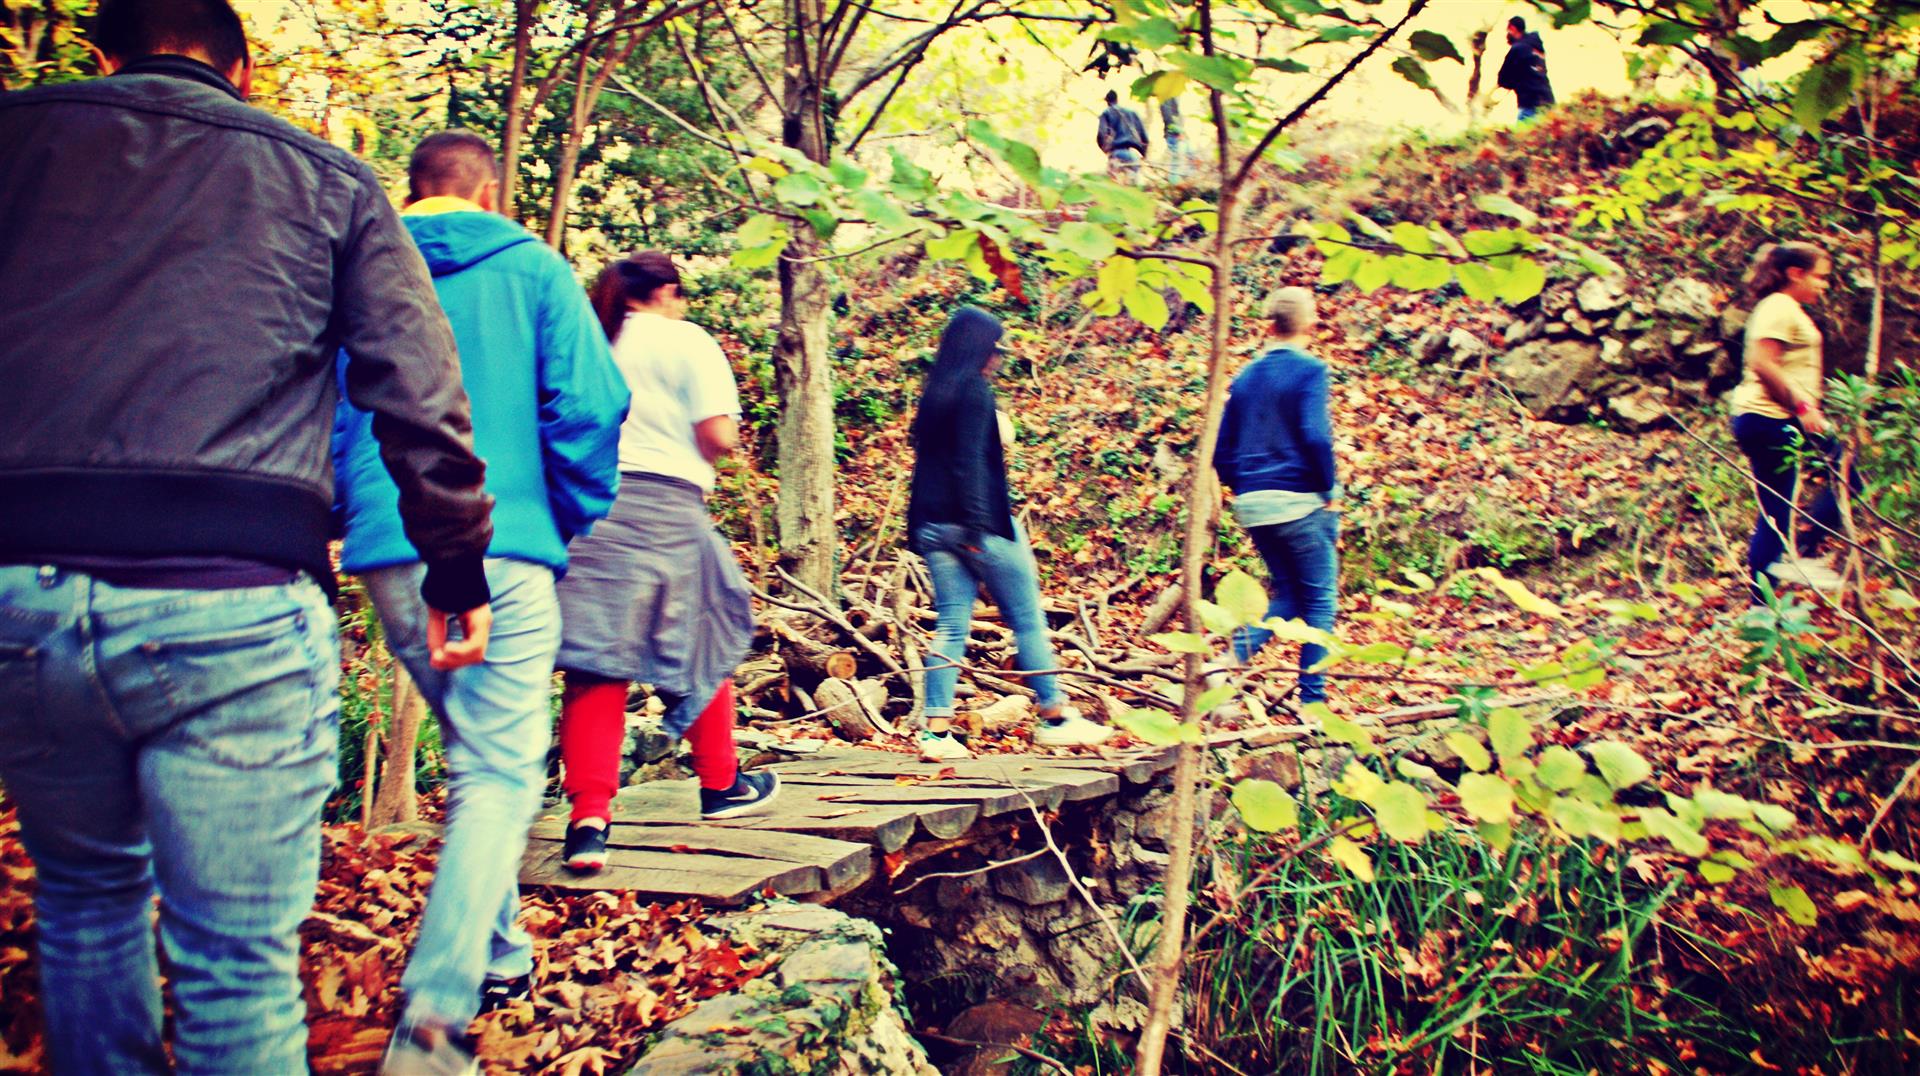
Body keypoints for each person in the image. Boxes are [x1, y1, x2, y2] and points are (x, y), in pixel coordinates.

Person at [0, 2, 496, 1072]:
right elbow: (418, 391)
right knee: (234, 961)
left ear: (100, 54)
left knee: (84, 901)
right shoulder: (326, 177)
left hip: (20, 589)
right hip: (233, 596)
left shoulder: (19, 137)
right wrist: (455, 566)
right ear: (246, 68)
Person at [332, 131, 630, 1073]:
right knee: (501, 770)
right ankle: (435, 1012)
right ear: (491, 192)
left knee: (478, 752)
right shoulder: (534, 268)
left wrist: (351, 509)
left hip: (388, 546)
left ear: (412, 189)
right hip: (504, 541)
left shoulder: (360, 269)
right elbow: (590, 405)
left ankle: (498, 952)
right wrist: (563, 513)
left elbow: (328, 410)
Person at [552, 251, 780, 874]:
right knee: (701, 638)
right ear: (666, 292)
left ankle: (588, 823)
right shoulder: (686, 340)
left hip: (588, 509)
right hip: (666, 507)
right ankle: (721, 783)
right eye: (681, 295)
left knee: (596, 664)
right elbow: (717, 435)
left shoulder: (585, 340)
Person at [907, 307, 1114, 760]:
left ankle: (935, 735)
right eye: (994, 350)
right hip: (976, 524)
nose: (998, 359)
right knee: (1027, 619)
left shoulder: (934, 393)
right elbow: (968, 462)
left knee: (951, 625)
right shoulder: (974, 391)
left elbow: (927, 463)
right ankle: (1055, 718)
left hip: (932, 526)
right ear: (978, 350)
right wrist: (977, 529)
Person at [1212, 287, 1340, 706]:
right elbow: (1316, 436)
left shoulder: (1245, 377)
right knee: (1320, 602)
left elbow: (1221, 452)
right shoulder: (1310, 371)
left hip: (1255, 506)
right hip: (1300, 503)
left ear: (1269, 325)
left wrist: (1246, 486)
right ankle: (1313, 703)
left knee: (1289, 595)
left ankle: (1226, 663)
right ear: (1311, 325)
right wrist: (1328, 488)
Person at [1729, 241, 1856, 600]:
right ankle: (1798, 556)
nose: (1824, 286)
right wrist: (1802, 407)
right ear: (1795, 273)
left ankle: (1774, 587)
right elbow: (1762, 362)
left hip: (1772, 418)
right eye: (1820, 277)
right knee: (1842, 476)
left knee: (1777, 513)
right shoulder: (1779, 306)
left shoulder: (1785, 308)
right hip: (1771, 418)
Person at [1497, 16, 1555, 123]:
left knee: (1523, 132)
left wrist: (1515, 81)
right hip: (1548, 101)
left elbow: (1503, 79)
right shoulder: (1538, 48)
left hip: (1530, 104)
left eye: (1508, 30)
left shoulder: (1517, 49)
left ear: (1513, 28)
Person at [1096, 89, 1150, 181]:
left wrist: (1106, 150)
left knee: (1115, 184)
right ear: (1117, 100)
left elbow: (1101, 134)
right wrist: (1144, 154)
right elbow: (1145, 139)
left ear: (1107, 101)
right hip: (1133, 155)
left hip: (1116, 154)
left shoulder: (1106, 113)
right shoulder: (1132, 113)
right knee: (1132, 185)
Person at [1161, 96, 1189, 183]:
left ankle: (1175, 182)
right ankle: (1173, 183)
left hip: (1177, 134)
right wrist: (1178, 132)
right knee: (1176, 161)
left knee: (1180, 160)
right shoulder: (1167, 98)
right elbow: (1168, 118)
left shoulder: (1174, 98)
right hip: (1174, 135)